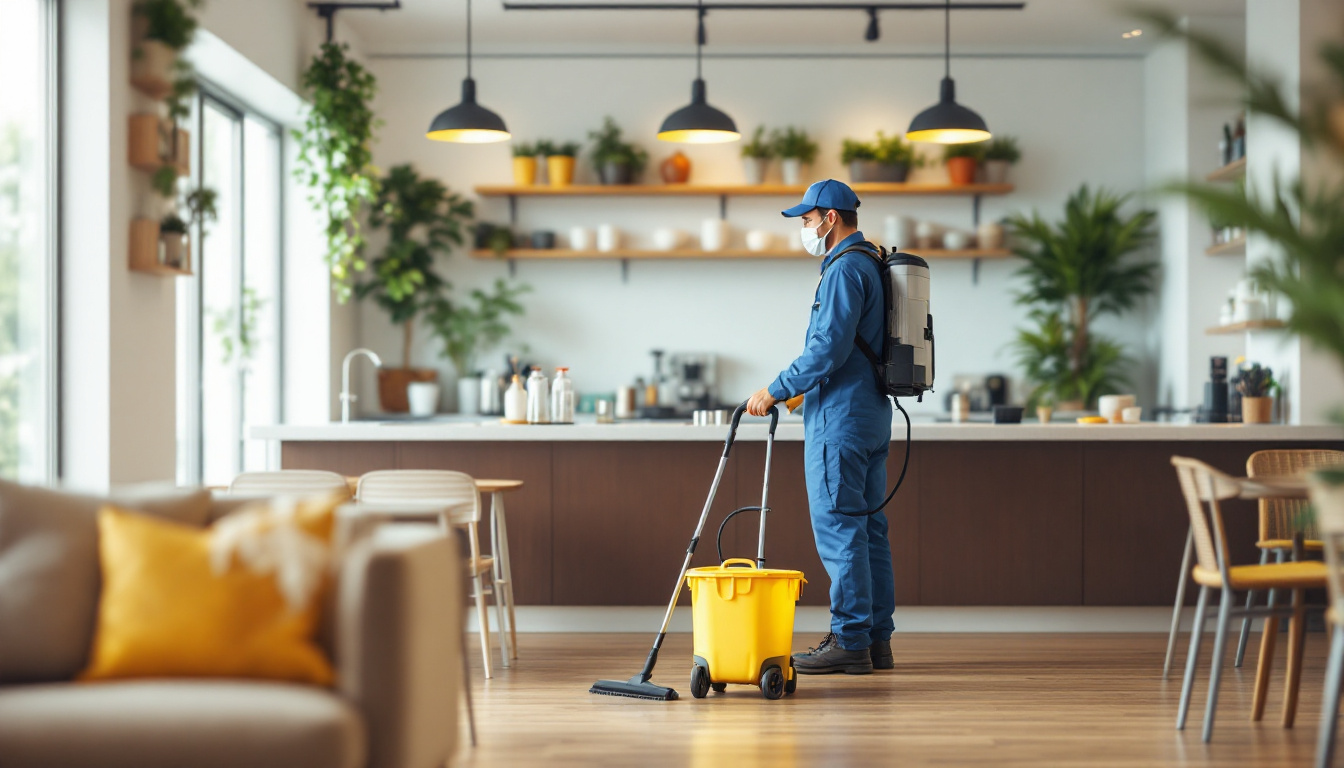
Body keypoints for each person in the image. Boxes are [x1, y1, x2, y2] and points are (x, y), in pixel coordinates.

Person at [745, 179, 894, 676]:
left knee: (841, 530)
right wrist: (808, 389)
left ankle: (849, 640)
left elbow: (826, 347)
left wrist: (777, 388)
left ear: (830, 219)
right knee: (870, 530)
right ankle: (876, 641)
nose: (805, 230)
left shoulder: (844, 269)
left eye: (808, 221)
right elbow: (852, 349)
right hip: (870, 416)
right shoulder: (871, 261)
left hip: (840, 423)